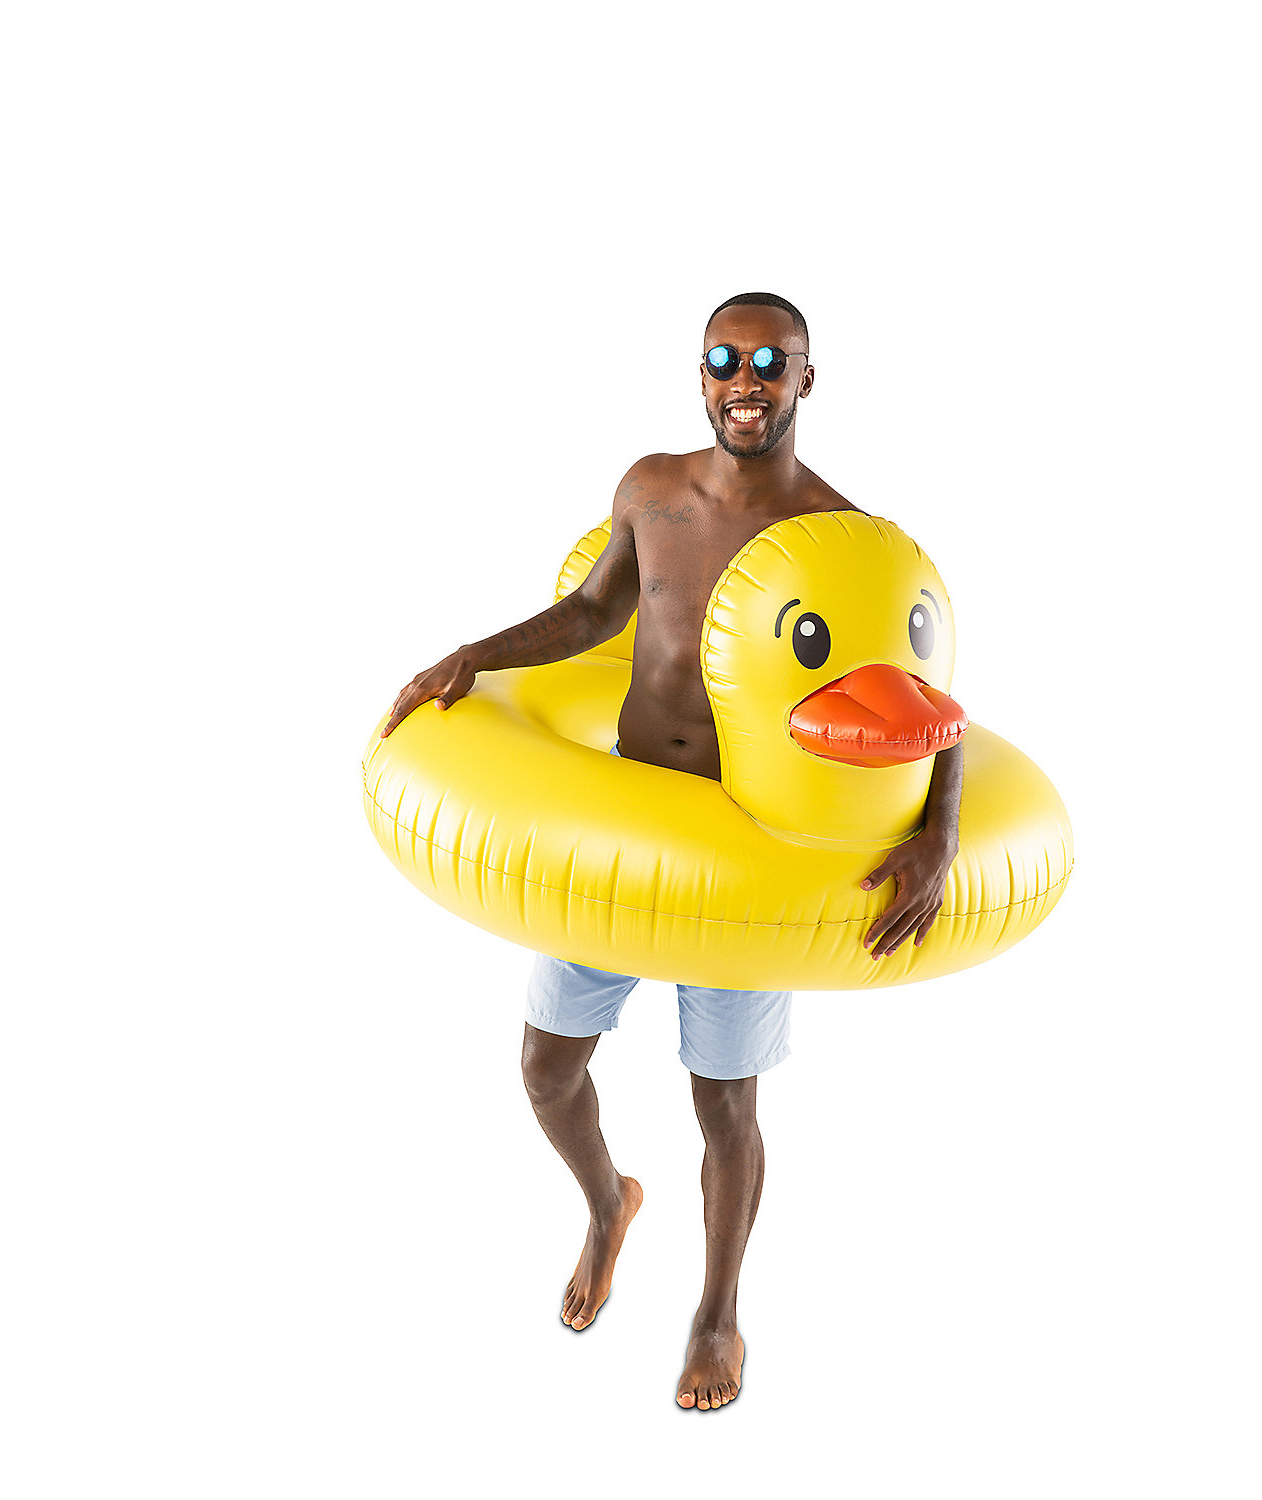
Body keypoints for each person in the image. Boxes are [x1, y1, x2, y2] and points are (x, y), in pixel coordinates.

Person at [381, 293, 964, 1411]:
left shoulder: (844, 538)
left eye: (771, 361)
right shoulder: (650, 489)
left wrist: (938, 831)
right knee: (545, 1071)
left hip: (743, 852)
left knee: (726, 1106)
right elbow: (593, 613)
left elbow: (924, 700)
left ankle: (718, 1313)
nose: (746, 379)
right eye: (724, 359)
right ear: (700, 375)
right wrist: (473, 655)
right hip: (624, 826)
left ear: (806, 379)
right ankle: (610, 1205)